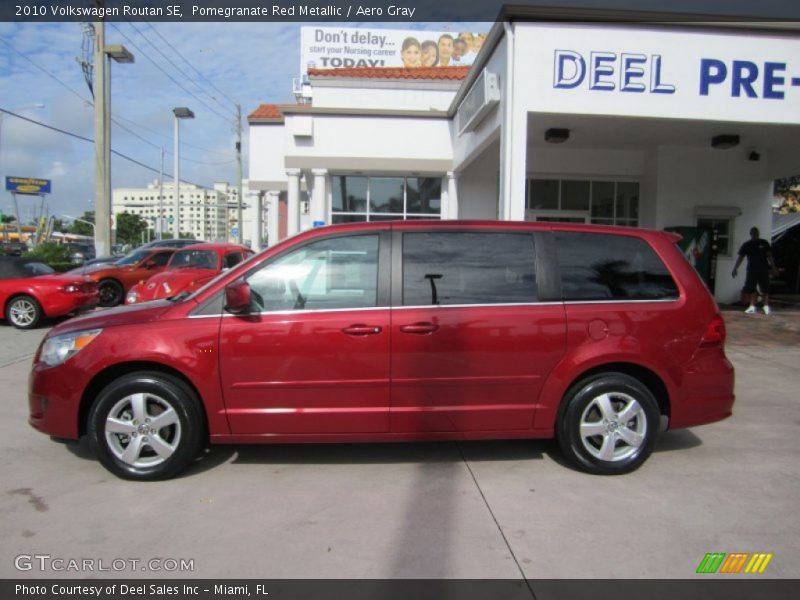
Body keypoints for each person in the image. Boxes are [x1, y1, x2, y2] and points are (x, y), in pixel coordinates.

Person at [732, 226, 777, 314]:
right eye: (753, 233)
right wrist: (735, 268)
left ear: (758, 234)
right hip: (752, 269)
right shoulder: (747, 244)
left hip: (763, 269)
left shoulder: (764, 243)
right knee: (751, 288)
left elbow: (769, 256)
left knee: (765, 287)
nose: (755, 234)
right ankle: (752, 306)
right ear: (750, 234)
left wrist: (773, 267)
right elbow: (741, 257)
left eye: (756, 233)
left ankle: (766, 306)